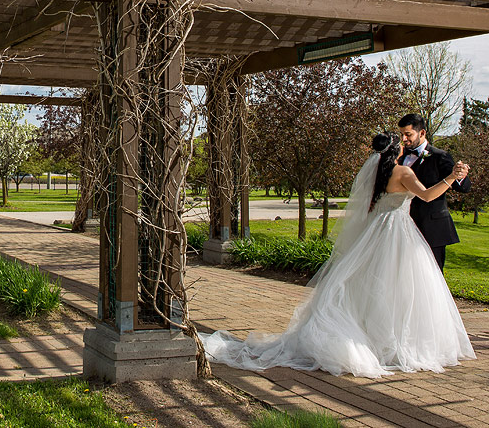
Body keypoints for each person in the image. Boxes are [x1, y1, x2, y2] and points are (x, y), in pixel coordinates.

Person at [201, 132, 474, 379]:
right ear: (396, 150)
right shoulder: (402, 172)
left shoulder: (378, 171)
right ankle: (395, 344)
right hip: (397, 233)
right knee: (401, 287)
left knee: (372, 286)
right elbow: (427, 196)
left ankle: (376, 338)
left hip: (377, 233)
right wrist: (451, 178)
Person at [398, 113, 470, 269]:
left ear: (422, 133)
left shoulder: (440, 157)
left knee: (432, 277)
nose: (404, 139)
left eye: (408, 134)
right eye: (402, 134)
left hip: (432, 228)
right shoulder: (400, 157)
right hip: (403, 226)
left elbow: (462, 187)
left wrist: (460, 176)